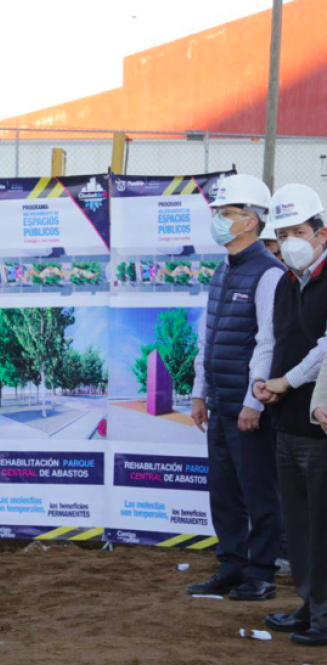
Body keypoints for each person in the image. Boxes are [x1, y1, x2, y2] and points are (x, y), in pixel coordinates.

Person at [186, 174, 282, 601]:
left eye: (226, 213)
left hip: (248, 407)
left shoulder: (270, 273)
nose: (219, 220)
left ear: (250, 221)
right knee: (223, 489)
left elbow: (269, 342)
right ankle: (232, 564)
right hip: (220, 402)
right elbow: (209, 340)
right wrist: (198, 392)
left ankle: (261, 573)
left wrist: (252, 403)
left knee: (258, 489)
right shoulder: (222, 273)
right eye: (218, 213)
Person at [253, 184, 327, 646]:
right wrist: (264, 384)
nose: (291, 241)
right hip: (286, 422)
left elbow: (325, 348)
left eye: (299, 230)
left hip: (320, 426)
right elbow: (272, 340)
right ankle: (311, 603)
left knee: (322, 523)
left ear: (322, 233)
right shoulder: (285, 282)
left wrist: (288, 381)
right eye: (282, 233)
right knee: (299, 524)